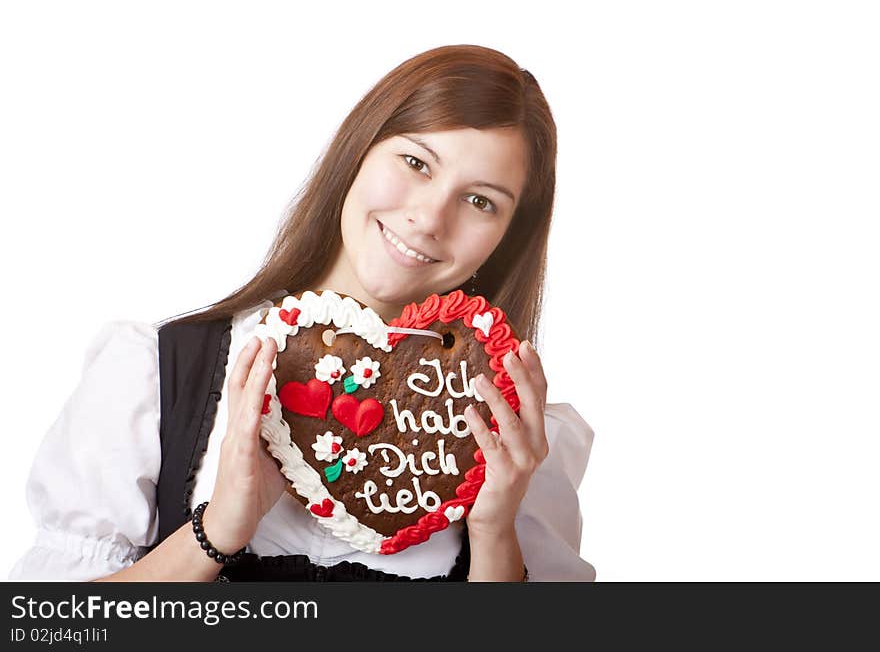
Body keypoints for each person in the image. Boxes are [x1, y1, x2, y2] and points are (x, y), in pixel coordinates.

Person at [9, 44, 596, 582]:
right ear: (358, 152)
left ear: (506, 238)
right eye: (417, 163)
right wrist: (217, 532)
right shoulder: (156, 373)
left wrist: (493, 533)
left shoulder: (518, 446)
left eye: (479, 201)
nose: (429, 217)